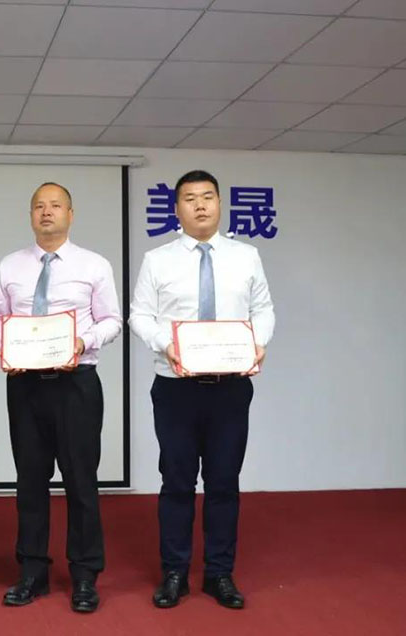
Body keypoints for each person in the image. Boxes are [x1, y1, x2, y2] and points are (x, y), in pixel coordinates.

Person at [128, 169, 274, 610]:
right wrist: (166, 344)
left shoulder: (246, 256)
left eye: (208, 196)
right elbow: (140, 315)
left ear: (220, 203)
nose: (200, 205)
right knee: (176, 481)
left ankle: (219, 573)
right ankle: (174, 572)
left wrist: (258, 343)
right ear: (177, 209)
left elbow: (263, 309)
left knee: (224, 482)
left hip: (230, 387)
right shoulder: (158, 260)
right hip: (177, 387)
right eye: (190, 198)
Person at [0, 182, 122, 613]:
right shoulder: (10, 265)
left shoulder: (94, 265)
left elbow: (112, 320)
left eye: (55, 205)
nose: (47, 212)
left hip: (75, 383)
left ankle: (84, 575)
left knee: (81, 480)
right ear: (30, 215)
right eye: (39, 207)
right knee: (30, 480)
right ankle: (32, 572)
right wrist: (4, 346)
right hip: (25, 383)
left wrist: (82, 342)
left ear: (70, 213)